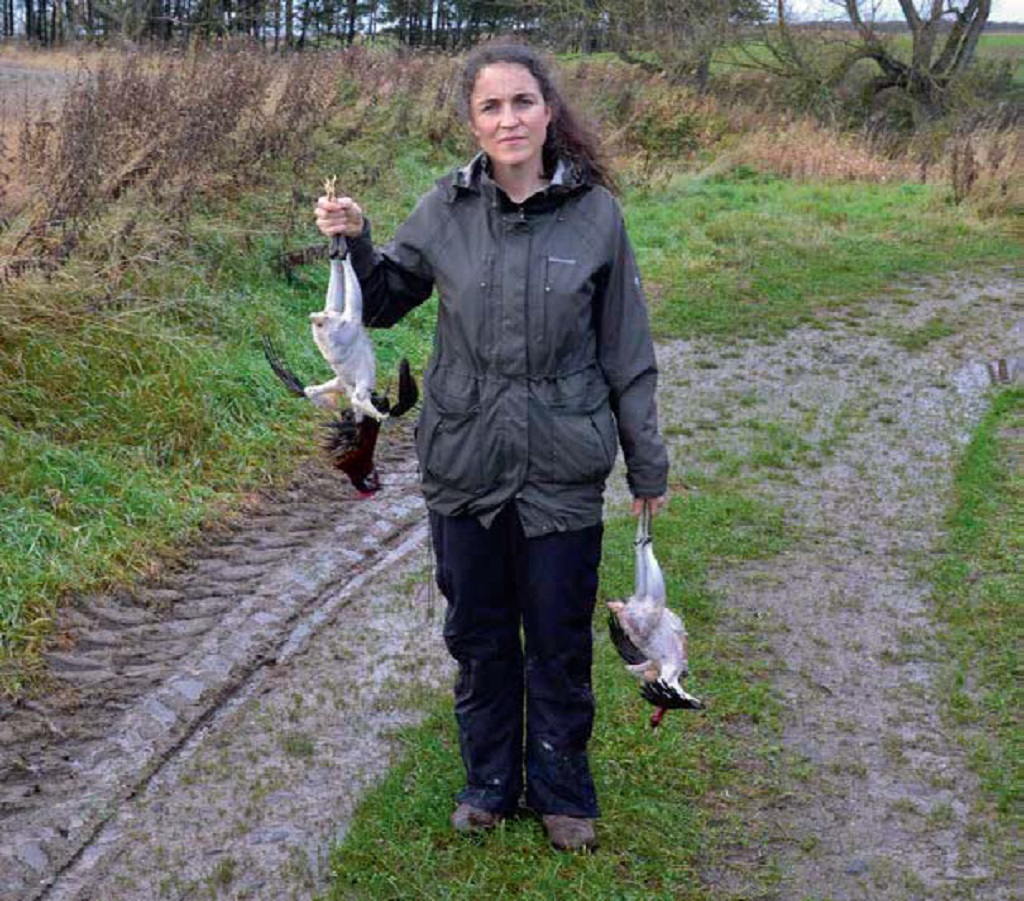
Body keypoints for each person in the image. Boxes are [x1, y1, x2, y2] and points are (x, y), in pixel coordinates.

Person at [315, 42, 667, 852]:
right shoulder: (444, 208)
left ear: (548, 111)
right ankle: (488, 782)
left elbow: (627, 352)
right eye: (490, 107)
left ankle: (562, 790)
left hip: (563, 470)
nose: (508, 119)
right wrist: (355, 242)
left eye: (521, 102)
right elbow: (386, 300)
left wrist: (646, 460)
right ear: (471, 122)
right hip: (465, 462)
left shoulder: (597, 216)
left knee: (556, 636)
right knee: (477, 634)